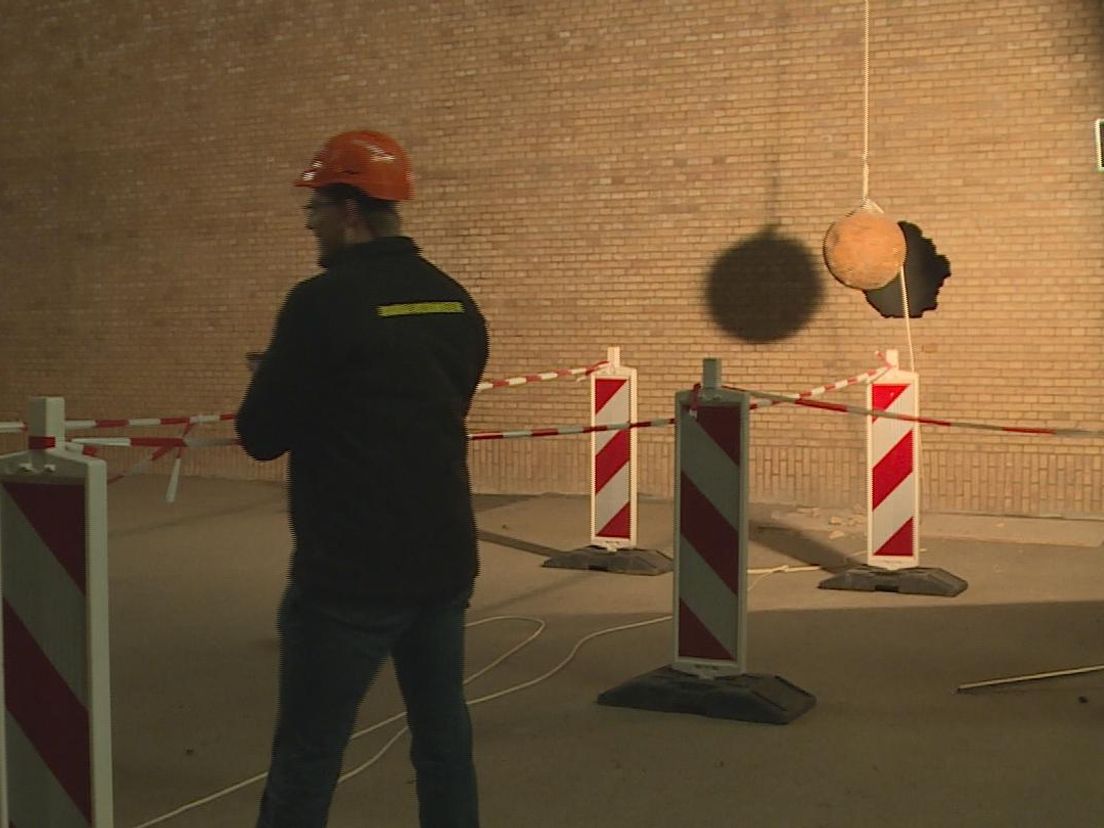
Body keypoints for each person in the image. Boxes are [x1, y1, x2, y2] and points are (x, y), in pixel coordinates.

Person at [236, 129, 488, 827]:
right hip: (441, 568)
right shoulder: (452, 300)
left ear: (349, 210)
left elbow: (260, 435)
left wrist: (280, 378)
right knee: (443, 746)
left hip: (348, 577)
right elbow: (432, 405)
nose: (310, 226)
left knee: (309, 758)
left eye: (314, 210)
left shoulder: (321, 303)